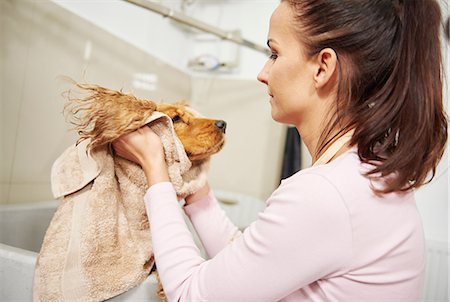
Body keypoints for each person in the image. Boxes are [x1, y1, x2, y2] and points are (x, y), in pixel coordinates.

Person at [112, 0, 448, 301]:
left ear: (322, 67)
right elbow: (248, 265)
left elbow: (190, 293)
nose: (262, 74)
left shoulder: (326, 194)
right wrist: (198, 193)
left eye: (274, 54)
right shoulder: (365, 175)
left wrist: (156, 170)